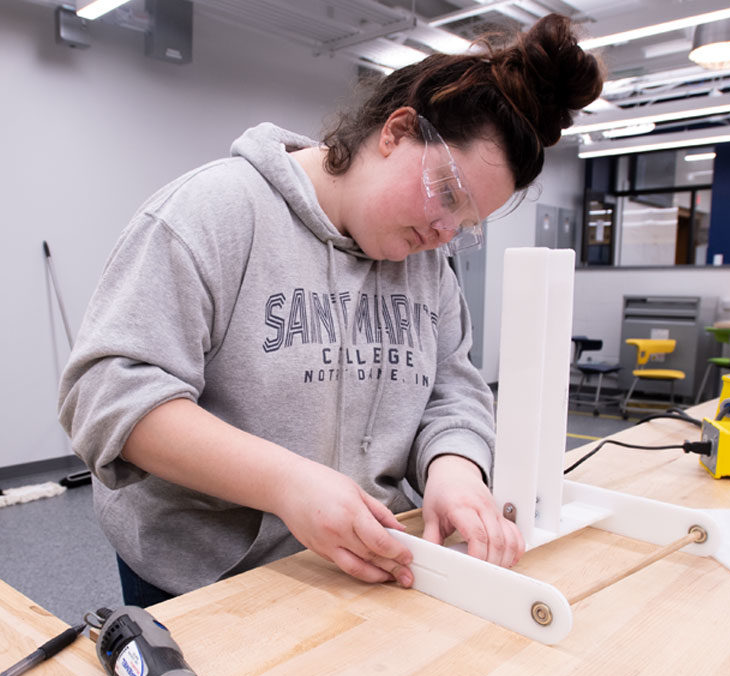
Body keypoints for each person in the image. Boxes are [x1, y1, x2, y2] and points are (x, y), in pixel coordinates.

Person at [58, 13, 603, 607]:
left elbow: (452, 391)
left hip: (361, 564)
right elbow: (109, 395)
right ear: (396, 131)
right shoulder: (214, 213)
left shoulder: (426, 265)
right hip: (204, 576)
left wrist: (455, 471)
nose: (444, 232)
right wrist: (287, 484)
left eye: (466, 224)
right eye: (448, 193)